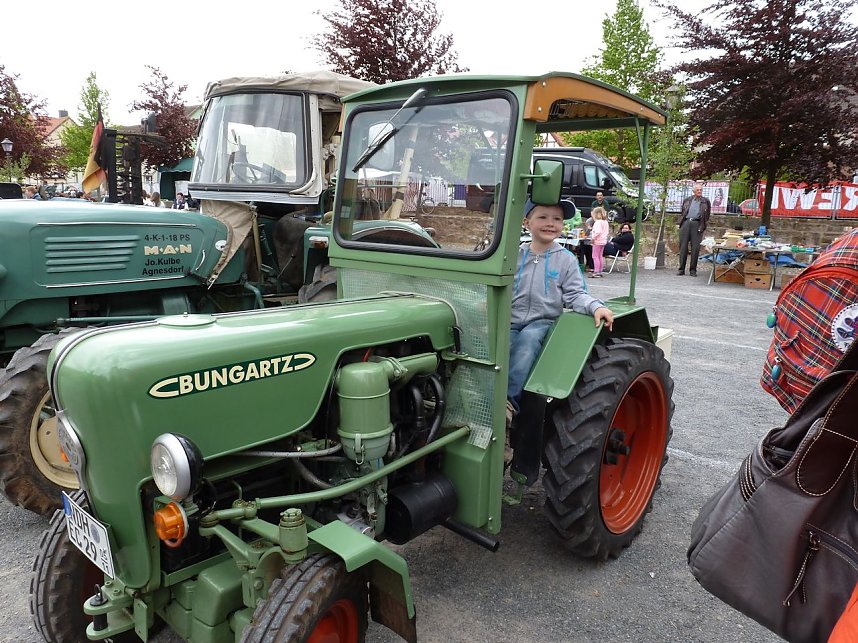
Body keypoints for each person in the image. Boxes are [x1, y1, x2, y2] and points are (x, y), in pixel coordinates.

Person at [507, 199, 614, 422]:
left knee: (527, 343)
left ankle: (508, 403)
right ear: (527, 222)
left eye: (557, 219)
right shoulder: (515, 255)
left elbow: (576, 294)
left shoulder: (566, 260)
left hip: (542, 322)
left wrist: (596, 306)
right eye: (543, 217)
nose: (550, 223)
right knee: (496, 346)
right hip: (512, 319)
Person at [677, 181, 711, 276]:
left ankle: (693, 270)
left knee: (695, 248)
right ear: (694, 191)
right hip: (686, 223)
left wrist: (703, 224)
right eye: (698, 190)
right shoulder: (687, 200)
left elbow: (707, 215)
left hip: (697, 224)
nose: (699, 191)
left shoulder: (705, 201)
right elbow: (683, 212)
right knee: (683, 247)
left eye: (701, 190)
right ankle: (681, 269)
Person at [590, 206, 609, 277]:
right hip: (603, 241)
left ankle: (596, 271)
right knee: (600, 256)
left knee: (595, 256)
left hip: (597, 241)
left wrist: (593, 239)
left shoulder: (598, 222)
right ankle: (600, 270)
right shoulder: (605, 222)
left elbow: (597, 232)